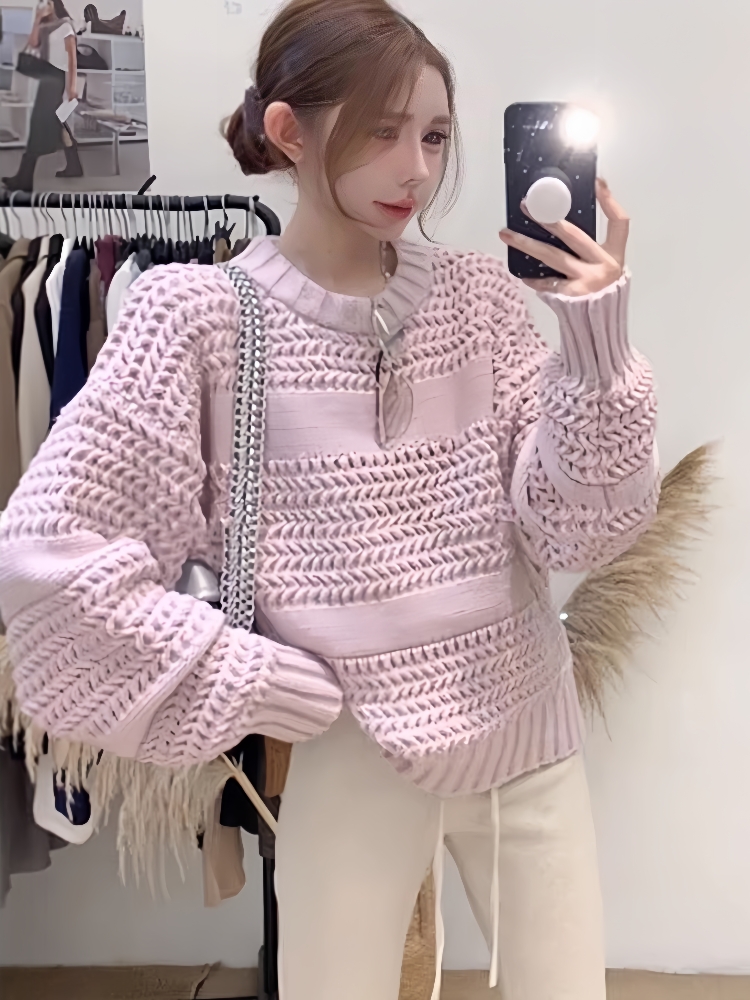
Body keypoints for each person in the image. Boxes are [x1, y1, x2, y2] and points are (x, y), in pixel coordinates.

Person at [0, 1, 659, 998]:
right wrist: (249, 678)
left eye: (434, 136)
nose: (416, 169)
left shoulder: (480, 299)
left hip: (527, 732)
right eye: (383, 131)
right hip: (351, 748)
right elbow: (49, 562)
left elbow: (579, 531)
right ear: (289, 131)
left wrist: (594, 345)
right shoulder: (199, 318)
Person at [3, 0, 82, 191]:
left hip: (57, 78)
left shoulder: (65, 26)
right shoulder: (45, 27)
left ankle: (24, 178)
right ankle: (74, 166)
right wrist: (38, 18)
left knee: (39, 123)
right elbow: (33, 43)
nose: (44, 5)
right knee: (57, 121)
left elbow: (72, 58)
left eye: (48, 2)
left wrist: (72, 87)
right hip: (47, 77)